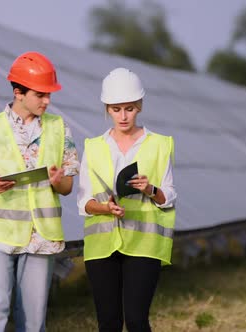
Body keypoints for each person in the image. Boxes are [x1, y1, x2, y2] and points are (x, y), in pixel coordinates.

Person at [0, 51, 79, 332]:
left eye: (50, 95)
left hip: (41, 237)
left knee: (34, 322)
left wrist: (57, 180)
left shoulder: (60, 128)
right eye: (41, 95)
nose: (47, 101)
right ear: (19, 93)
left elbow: (67, 187)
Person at [77, 68, 177, 332]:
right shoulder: (93, 146)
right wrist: (105, 208)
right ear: (107, 108)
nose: (123, 116)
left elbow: (168, 197)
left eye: (129, 108)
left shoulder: (159, 144)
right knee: (108, 323)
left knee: (136, 320)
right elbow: (84, 202)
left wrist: (150, 189)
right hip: (102, 246)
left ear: (140, 106)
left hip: (143, 244)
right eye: (116, 109)